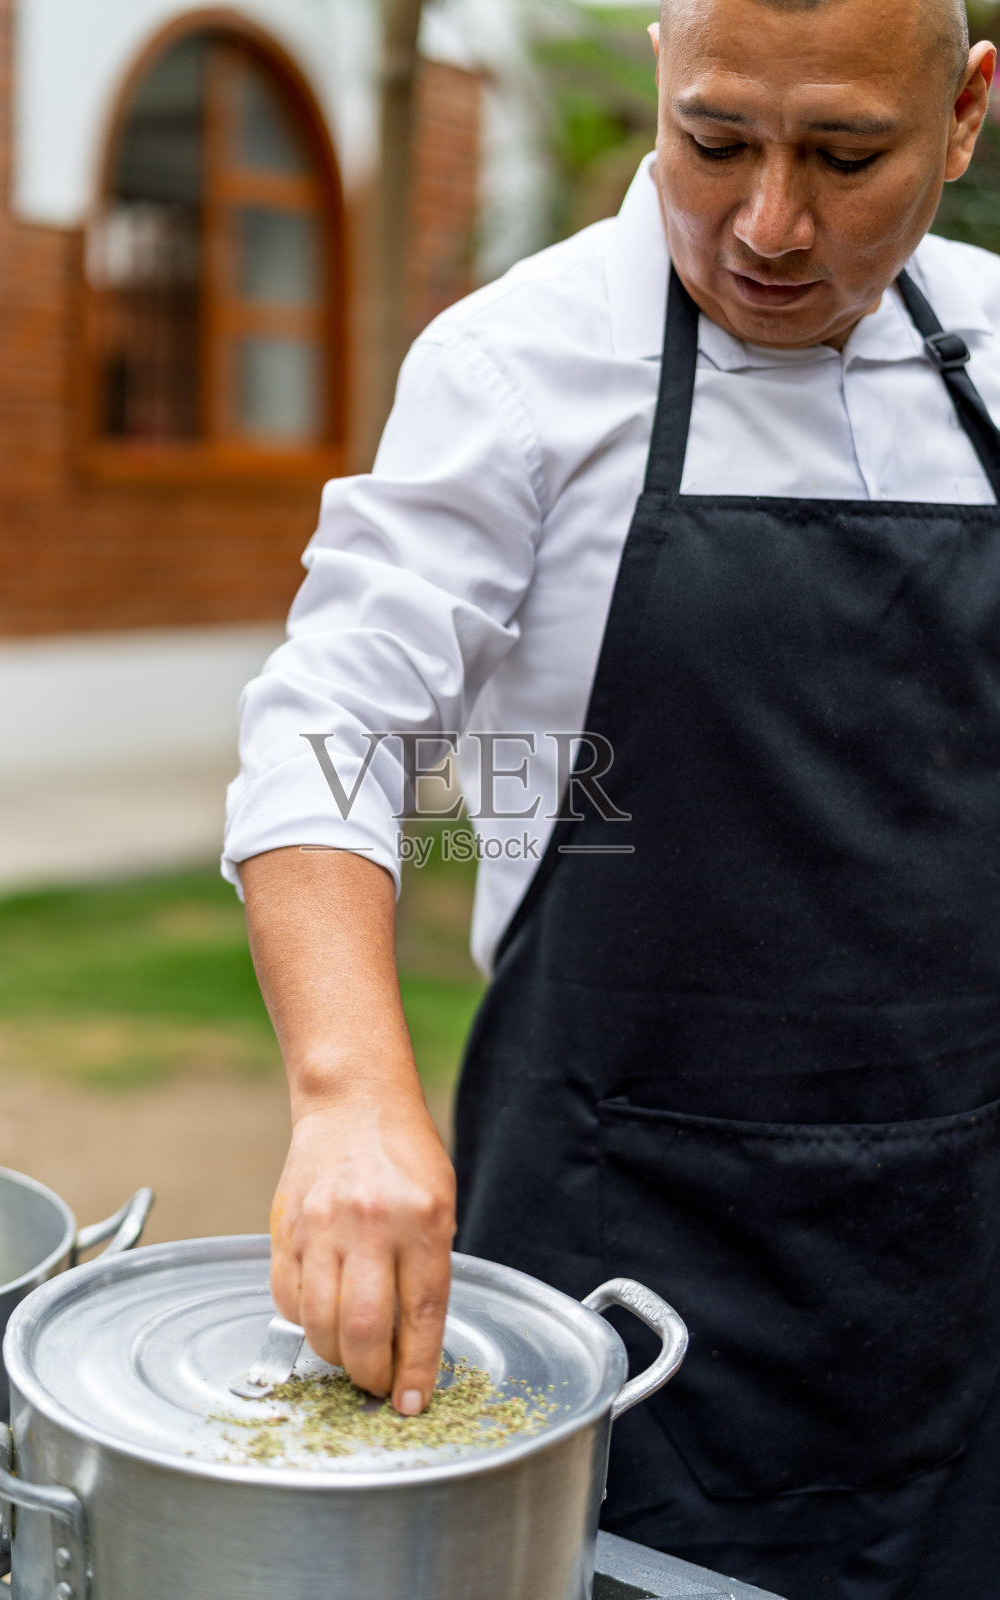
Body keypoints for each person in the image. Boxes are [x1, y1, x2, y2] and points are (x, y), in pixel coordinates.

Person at [222, 0, 1000, 1592]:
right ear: (661, 67)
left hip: (961, 1236)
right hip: (619, 1243)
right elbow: (333, 725)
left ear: (969, 115)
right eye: (714, 141)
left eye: (845, 157)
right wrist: (351, 1094)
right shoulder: (520, 363)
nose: (768, 224)